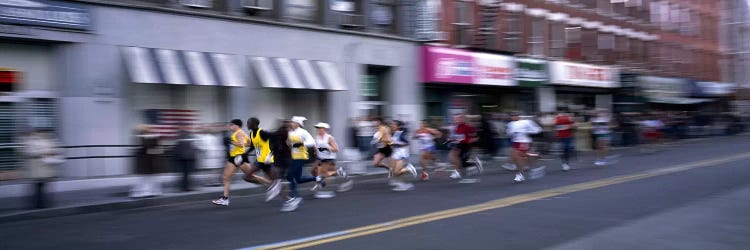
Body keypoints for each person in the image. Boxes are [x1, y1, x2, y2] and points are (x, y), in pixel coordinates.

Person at [212, 119, 253, 206]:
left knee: (227, 177)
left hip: (237, 156)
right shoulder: (241, 132)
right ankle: (225, 199)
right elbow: (249, 143)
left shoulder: (239, 133)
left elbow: (241, 144)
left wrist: (231, 142)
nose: (229, 126)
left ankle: (270, 184)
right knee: (228, 177)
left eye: (231, 125)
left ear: (236, 125)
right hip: (237, 156)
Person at [21, 128, 63, 208]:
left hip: (46, 167)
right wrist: (44, 153)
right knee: (39, 186)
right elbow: (28, 152)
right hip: (37, 167)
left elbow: (57, 149)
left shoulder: (50, 139)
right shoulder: (32, 140)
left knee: (42, 186)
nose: (43, 133)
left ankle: (41, 203)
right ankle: (39, 203)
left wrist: (51, 152)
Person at [282, 116, 317, 212]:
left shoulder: (303, 132)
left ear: (298, 123)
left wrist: (302, 144)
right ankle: (317, 178)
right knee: (298, 179)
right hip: (293, 156)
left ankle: (295, 197)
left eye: (293, 122)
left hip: (300, 156)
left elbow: (312, 142)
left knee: (290, 175)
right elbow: (289, 143)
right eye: (291, 122)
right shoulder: (290, 132)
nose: (291, 123)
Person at [310, 122, 353, 198]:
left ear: (324, 129)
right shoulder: (317, 137)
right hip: (320, 158)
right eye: (317, 128)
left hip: (328, 158)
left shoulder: (329, 138)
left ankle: (325, 190)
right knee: (313, 171)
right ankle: (338, 172)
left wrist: (327, 148)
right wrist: (315, 150)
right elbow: (317, 147)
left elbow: (336, 149)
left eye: (320, 128)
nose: (318, 130)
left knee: (323, 174)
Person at [246, 117, 282, 202]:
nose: (247, 124)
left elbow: (275, 140)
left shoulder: (262, 133)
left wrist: (271, 153)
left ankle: (275, 187)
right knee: (273, 180)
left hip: (266, 160)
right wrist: (246, 153)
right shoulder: (251, 133)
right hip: (259, 159)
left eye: (249, 123)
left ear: (254, 124)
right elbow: (253, 146)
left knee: (247, 176)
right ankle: (273, 186)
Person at [507, 113, 542, 183]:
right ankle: (535, 155)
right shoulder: (510, 124)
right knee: (517, 157)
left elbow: (538, 130)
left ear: (519, 116)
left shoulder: (526, 122)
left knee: (518, 156)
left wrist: (526, 131)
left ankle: (519, 174)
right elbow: (509, 133)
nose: (513, 117)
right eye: (512, 116)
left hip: (524, 142)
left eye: (514, 116)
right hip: (515, 142)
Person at [131, 125, 163, 198]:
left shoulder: (147, 137)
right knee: (145, 178)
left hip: (149, 161)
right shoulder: (141, 137)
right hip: (145, 161)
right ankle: (141, 192)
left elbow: (156, 149)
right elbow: (145, 149)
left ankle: (151, 191)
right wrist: (154, 149)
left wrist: (155, 146)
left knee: (148, 178)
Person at [448, 114, 481, 182]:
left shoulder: (467, 127)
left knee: (457, 158)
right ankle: (458, 171)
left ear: (462, 119)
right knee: (458, 160)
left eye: (458, 118)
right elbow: (455, 137)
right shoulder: (456, 127)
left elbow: (476, 136)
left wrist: (472, 140)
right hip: (458, 145)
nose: (456, 120)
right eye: (455, 119)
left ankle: (457, 172)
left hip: (465, 145)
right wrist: (451, 140)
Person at [389, 120, 418, 191]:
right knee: (393, 170)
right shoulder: (393, 133)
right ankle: (400, 183)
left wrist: (397, 144)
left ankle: (409, 168)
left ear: (398, 126)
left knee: (397, 171)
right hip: (395, 153)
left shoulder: (401, 134)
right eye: (391, 124)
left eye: (393, 124)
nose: (392, 125)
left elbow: (407, 143)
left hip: (402, 154)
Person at [174, 124, 197, 192]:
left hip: (188, 158)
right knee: (184, 174)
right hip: (183, 158)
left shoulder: (188, 135)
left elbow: (192, 146)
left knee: (187, 174)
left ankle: (186, 187)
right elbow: (178, 147)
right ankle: (184, 187)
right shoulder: (180, 136)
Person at [371, 117, 394, 184]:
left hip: (387, 147)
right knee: (375, 163)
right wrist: (376, 141)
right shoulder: (377, 129)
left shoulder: (384, 128)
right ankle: (389, 168)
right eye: (374, 122)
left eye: (376, 121)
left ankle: (395, 179)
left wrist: (380, 140)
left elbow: (389, 140)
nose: (374, 123)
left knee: (394, 166)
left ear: (380, 122)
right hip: (381, 149)